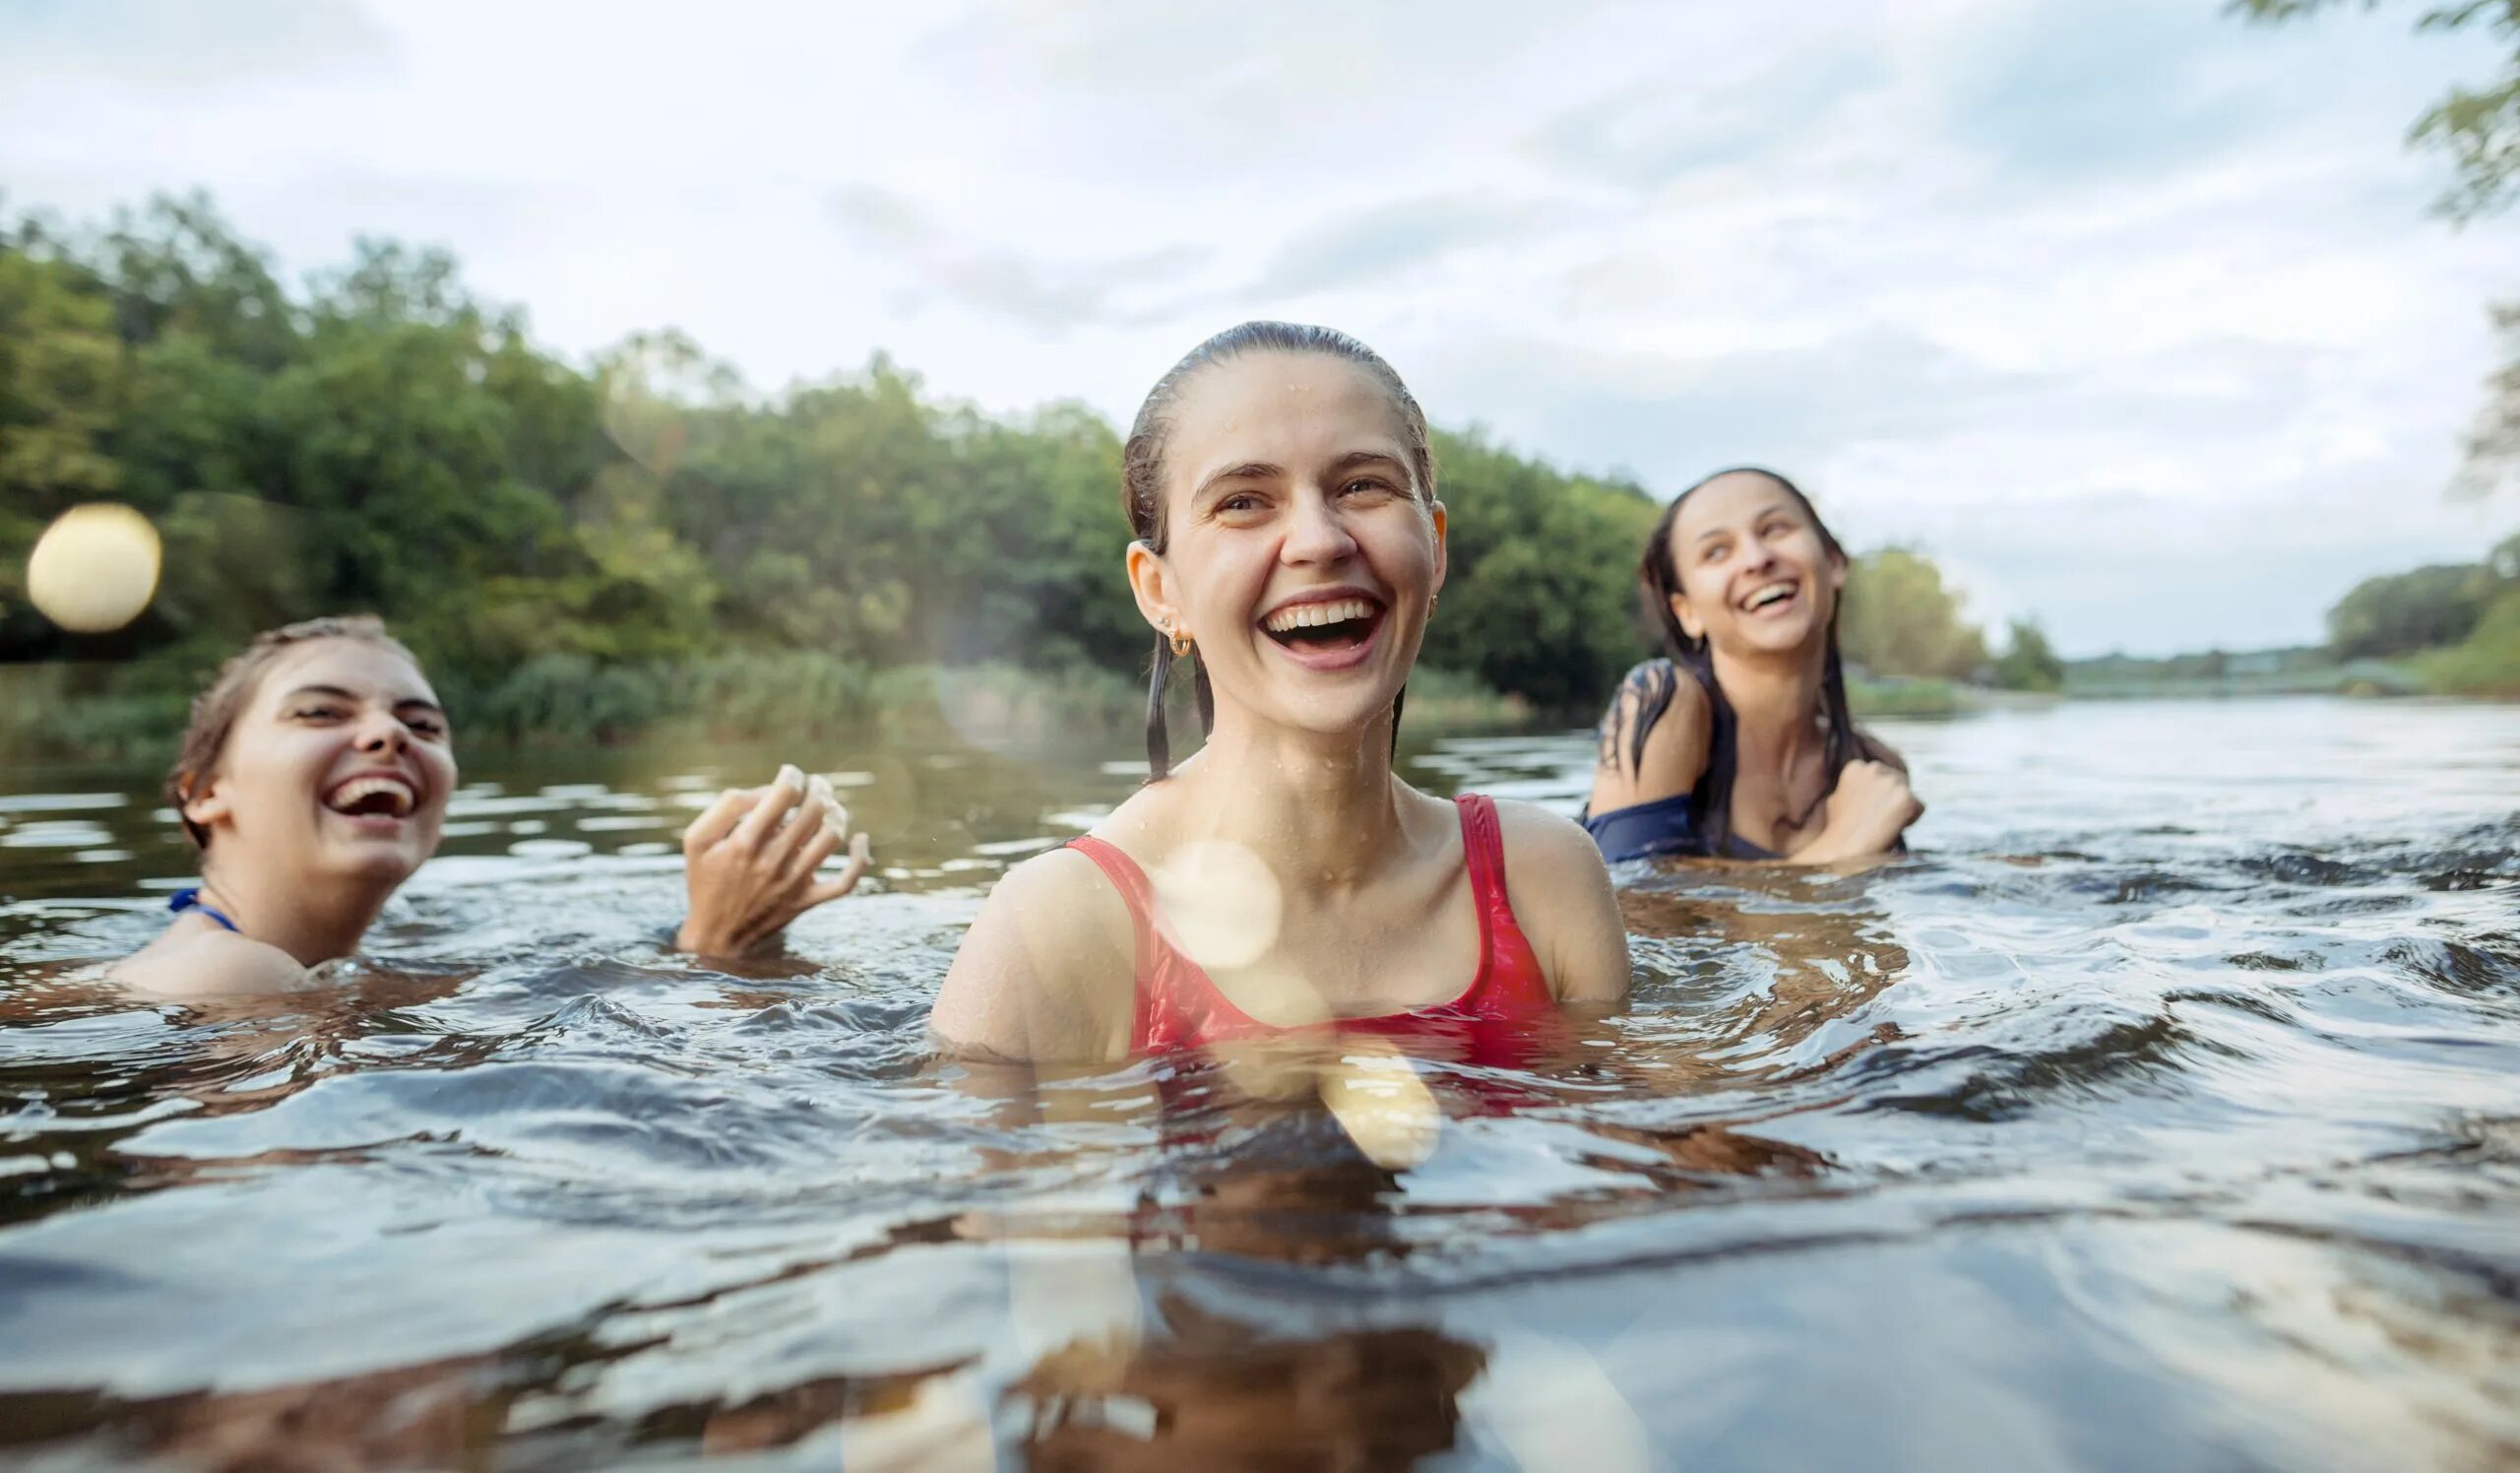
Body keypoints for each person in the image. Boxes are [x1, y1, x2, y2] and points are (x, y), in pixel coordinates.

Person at [930, 323, 1628, 1063]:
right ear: (1159, 589)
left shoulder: (1543, 880)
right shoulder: (1060, 926)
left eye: (1362, 485)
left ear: (1437, 545)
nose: (1319, 540)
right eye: (1243, 501)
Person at [106, 615, 868, 998]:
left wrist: (734, 937)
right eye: (320, 713)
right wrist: (712, 947)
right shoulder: (229, 974)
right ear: (205, 791)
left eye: (423, 724)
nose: (387, 735)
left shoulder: (331, 964)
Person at [1583, 468, 1922, 865]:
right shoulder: (1661, 703)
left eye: (1775, 529)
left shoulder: (1873, 770)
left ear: (1834, 562)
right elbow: (1625, 910)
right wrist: (1840, 848)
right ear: (1687, 611)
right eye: (1716, 551)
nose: (1757, 560)